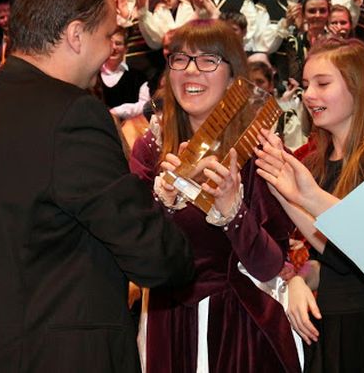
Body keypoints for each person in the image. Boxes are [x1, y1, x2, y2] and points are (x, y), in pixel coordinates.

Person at [0, 0, 193, 373]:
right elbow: (156, 258)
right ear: (74, 35)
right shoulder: (73, 115)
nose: (110, 50)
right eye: (108, 35)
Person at [129, 19, 300, 373]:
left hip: (239, 324)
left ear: (233, 74)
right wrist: (168, 200)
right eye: (180, 59)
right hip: (166, 321)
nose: (191, 71)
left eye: (208, 60)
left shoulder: (259, 147)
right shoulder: (151, 145)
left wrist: (232, 212)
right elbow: (135, 250)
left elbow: (269, 265)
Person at [253, 38, 364, 372]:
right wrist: (296, 278)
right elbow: (325, 246)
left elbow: (361, 250)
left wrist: (294, 195)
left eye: (323, 84)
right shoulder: (313, 163)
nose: (309, 95)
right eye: (307, 84)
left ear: (358, 86)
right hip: (329, 327)